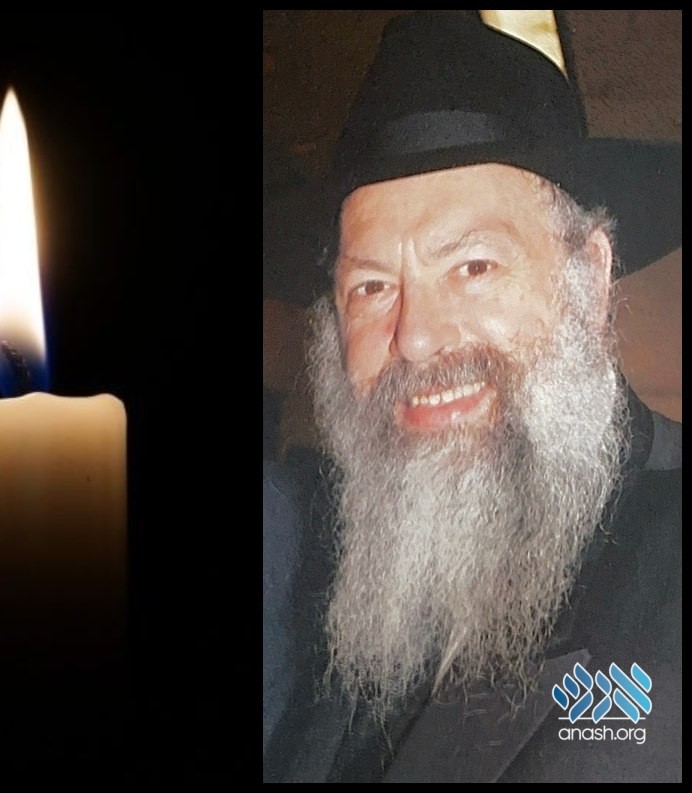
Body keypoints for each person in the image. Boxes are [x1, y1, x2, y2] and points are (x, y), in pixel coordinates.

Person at [263, 12, 681, 783]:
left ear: (589, 281)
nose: (417, 338)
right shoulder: (337, 575)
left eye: (473, 267)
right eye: (372, 286)